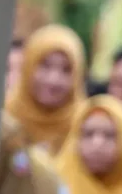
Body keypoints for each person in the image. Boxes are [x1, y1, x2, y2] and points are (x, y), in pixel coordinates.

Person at [5, 24, 86, 154]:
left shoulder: (87, 125)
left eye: (66, 70)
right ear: (28, 66)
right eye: (45, 66)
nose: (53, 80)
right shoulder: (4, 116)